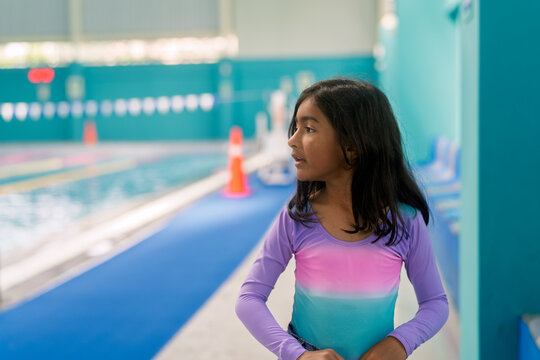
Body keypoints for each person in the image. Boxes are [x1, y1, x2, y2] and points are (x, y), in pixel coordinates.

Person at [235, 78, 449, 360]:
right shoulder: (297, 218)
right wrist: (297, 354)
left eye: (308, 129)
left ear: (352, 146)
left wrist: (401, 342)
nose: (292, 140)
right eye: (295, 128)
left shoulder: (404, 222)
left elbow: (435, 303)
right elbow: (248, 299)